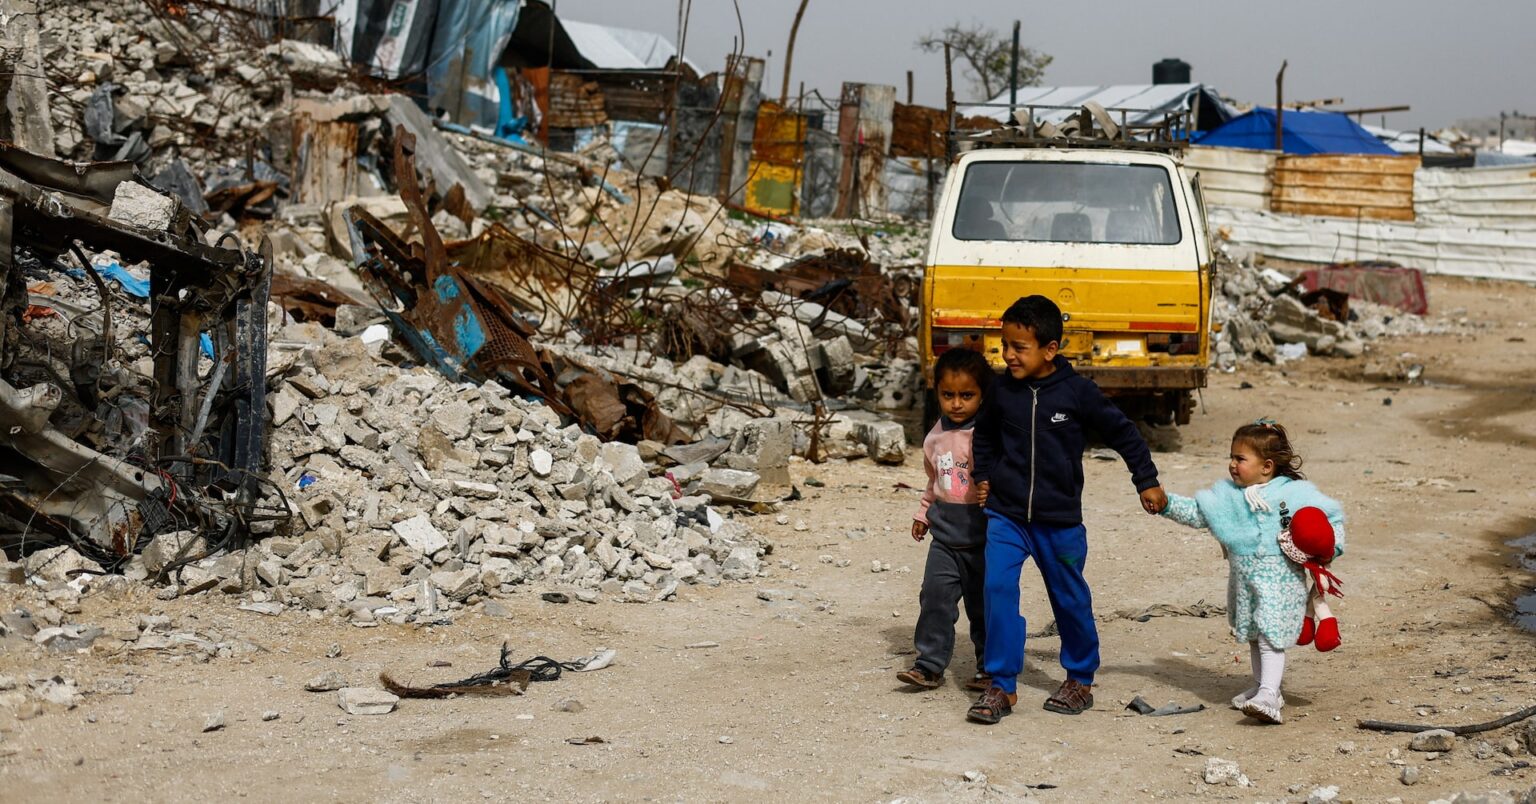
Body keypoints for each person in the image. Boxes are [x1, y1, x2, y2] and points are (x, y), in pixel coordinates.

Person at [966, 295, 1167, 724]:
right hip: (1006, 516)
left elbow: (1124, 432)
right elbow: (982, 436)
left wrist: (1145, 480)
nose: (1009, 355)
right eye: (1006, 345)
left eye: (1020, 347)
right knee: (997, 591)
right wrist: (984, 475)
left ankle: (1080, 676)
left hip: (1059, 523)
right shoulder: (1002, 391)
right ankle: (1001, 684)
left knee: (1069, 598)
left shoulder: (1077, 392)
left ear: (1050, 349)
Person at [1157, 420, 1345, 725]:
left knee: (1271, 635)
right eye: (1231, 457)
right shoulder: (1229, 497)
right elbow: (1198, 512)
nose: (1232, 465)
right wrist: (1166, 504)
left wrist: (1329, 546)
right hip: (1245, 583)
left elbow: (1331, 521)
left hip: (1280, 583)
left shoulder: (1295, 495)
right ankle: (1262, 687)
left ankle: (1270, 694)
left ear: (1267, 466)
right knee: (1255, 636)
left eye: (1240, 459)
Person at [897, 348, 994, 692]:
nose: (956, 404)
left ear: (983, 395)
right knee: (935, 599)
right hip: (945, 541)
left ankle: (990, 668)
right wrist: (923, 513)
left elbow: (1005, 476)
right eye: (947, 395)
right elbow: (934, 481)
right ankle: (928, 665)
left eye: (966, 395)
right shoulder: (934, 438)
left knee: (985, 607)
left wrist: (992, 490)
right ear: (936, 392)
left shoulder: (987, 434)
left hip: (984, 541)